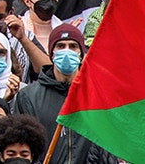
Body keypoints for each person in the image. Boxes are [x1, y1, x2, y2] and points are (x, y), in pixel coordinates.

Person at [11, 24, 100, 164]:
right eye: (60, 46)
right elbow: (22, 147)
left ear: (82, 55)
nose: (67, 51)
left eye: (73, 46)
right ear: (52, 54)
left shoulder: (97, 95)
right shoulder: (28, 97)